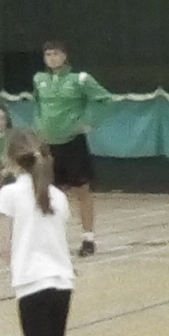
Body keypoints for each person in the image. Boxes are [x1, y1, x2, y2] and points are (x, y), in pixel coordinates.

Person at [0, 129, 76, 336]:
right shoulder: (58, 196)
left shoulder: (10, 194)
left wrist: (16, 269)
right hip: (62, 283)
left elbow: (5, 247)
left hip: (32, 283)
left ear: (12, 159)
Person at [33, 40, 112, 257]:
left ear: (65, 56)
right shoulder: (39, 80)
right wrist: (38, 127)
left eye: (56, 53)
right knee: (48, 192)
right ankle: (52, 239)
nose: (52, 58)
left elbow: (105, 99)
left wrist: (89, 122)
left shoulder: (80, 79)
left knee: (81, 190)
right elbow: (37, 105)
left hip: (72, 143)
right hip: (49, 144)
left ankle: (88, 239)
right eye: (48, 54)